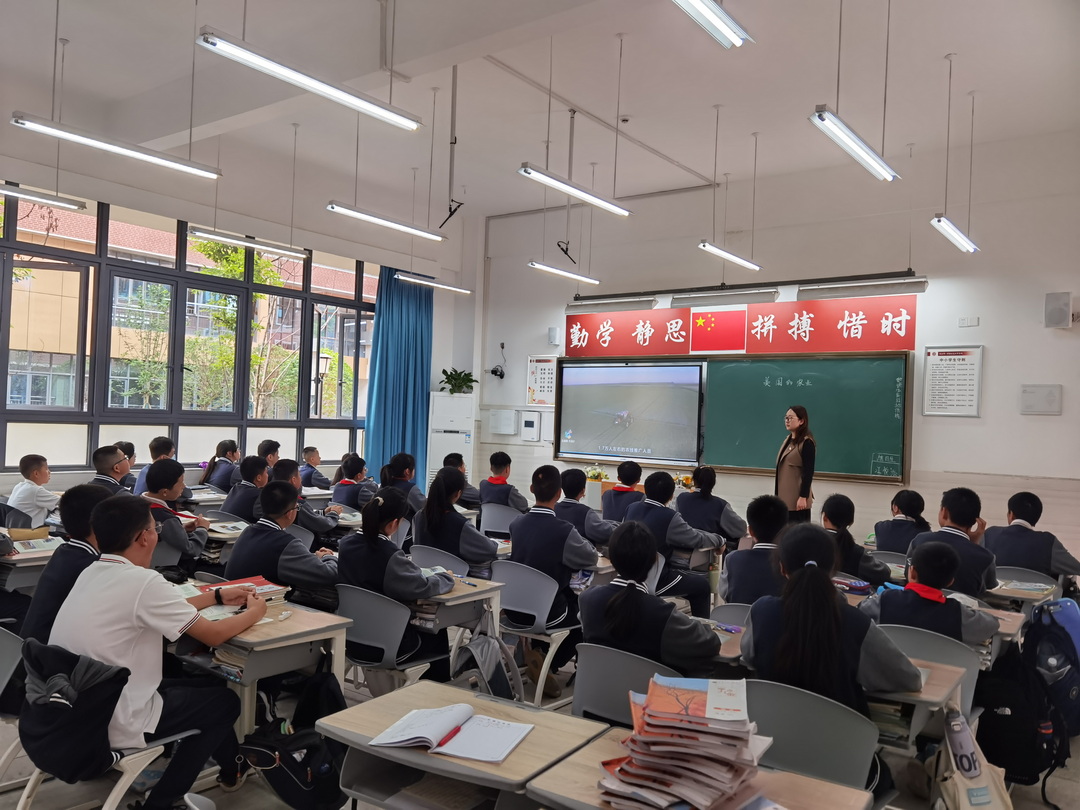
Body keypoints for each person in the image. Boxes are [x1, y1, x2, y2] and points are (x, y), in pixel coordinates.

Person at [49, 495, 266, 808]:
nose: (157, 534)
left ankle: (233, 768)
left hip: (77, 708)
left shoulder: (93, 570)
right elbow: (215, 635)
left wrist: (217, 596)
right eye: (156, 528)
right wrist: (256, 612)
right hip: (113, 717)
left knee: (204, 690)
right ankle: (163, 801)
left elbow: (160, 607)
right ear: (143, 537)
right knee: (224, 703)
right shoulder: (144, 581)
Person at [742, 522, 922, 714]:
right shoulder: (857, 623)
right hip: (840, 731)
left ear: (782, 568)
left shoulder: (761, 612)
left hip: (771, 726)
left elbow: (749, 656)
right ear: (833, 568)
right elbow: (909, 680)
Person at [337, 488, 455, 681]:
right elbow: (421, 586)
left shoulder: (346, 545)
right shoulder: (389, 554)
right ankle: (438, 689)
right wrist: (446, 577)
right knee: (437, 630)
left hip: (351, 639)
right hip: (387, 643)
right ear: (394, 523)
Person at [580, 521, 721, 677]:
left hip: (599, 690)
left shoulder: (587, 600)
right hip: (647, 691)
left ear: (611, 559)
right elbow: (711, 644)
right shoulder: (663, 614)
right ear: (654, 561)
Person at [509, 465, 599, 697]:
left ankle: (537, 654)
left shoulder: (516, 524)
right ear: (559, 494)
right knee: (584, 617)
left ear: (531, 489)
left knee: (566, 602)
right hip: (548, 611)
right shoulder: (564, 531)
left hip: (513, 609)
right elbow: (590, 557)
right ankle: (549, 664)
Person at [858, 542, 1000, 645]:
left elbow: (860, 610)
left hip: (889, 671)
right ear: (950, 581)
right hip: (943, 675)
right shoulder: (959, 615)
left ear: (912, 572)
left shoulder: (884, 601)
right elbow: (992, 625)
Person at [624, 472, 720, 618]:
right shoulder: (669, 516)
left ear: (646, 490)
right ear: (671, 496)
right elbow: (695, 538)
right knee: (702, 585)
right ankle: (701, 629)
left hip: (627, 574)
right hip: (655, 578)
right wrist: (719, 540)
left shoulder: (631, 508)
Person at [21, 485, 110, 644]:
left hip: (32, 648)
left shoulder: (64, 551)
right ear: (102, 522)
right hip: (51, 653)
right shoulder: (92, 565)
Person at [225, 481, 338, 591]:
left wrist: (313, 557)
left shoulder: (248, 531)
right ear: (289, 514)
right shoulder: (286, 544)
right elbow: (330, 574)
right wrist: (327, 556)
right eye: (297, 508)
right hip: (261, 600)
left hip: (234, 596)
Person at [907, 488, 997, 598]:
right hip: (962, 608)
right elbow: (988, 587)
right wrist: (974, 544)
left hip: (918, 604)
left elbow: (908, 574)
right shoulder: (986, 557)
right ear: (975, 520)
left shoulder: (919, 540)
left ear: (944, 512)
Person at [413, 466, 499, 578]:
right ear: (458, 494)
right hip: (453, 580)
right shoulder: (459, 524)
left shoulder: (419, 516)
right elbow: (489, 549)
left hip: (424, 578)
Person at [984, 491, 1080, 579]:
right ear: (1036, 518)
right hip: (1036, 593)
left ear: (1011, 514)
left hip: (991, 591)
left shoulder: (990, 534)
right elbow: (1076, 568)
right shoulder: (1048, 542)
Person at [718, 494, 788, 605]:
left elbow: (724, 593)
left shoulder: (732, 559)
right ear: (784, 530)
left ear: (750, 531)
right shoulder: (790, 562)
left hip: (737, 615)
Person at [142, 459, 210, 568]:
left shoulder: (138, 505)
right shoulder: (166, 518)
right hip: (173, 568)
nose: (184, 486)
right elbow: (191, 550)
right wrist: (202, 529)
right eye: (181, 483)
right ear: (165, 492)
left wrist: (181, 529)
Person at [255, 459, 342, 540]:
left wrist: (322, 512)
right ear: (293, 480)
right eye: (299, 475)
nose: (301, 478)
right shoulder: (295, 504)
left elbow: (306, 516)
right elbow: (322, 524)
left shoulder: (265, 496)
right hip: (302, 542)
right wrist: (334, 513)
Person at [821, 493, 890, 587]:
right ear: (851, 521)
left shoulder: (810, 544)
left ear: (824, 517)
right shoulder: (857, 553)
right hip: (848, 596)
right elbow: (884, 573)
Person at [675, 465, 748, 553]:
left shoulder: (681, 499)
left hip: (678, 552)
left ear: (694, 481)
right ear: (713, 482)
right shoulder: (720, 505)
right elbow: (740, 530)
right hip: (708, 555)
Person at [554, 469, 617, 546]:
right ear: (582, 491)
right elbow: (603, 532)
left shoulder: (553, 508)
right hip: (580, 552)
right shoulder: (585, 512)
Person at [775, 405, 815, 523]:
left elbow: (808, 472)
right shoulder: (788, 440)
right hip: (784, 499)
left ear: (801, 421)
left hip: (797, 501)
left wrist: (803, 496)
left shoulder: (807, 443)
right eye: (786, 418)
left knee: (798, 531)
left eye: (790, 418)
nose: (787, 421)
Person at [7, 454, 60, 527]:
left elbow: (50, 495)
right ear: (36, 473)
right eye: (46, 469)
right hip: (31, 533)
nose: (49, 472)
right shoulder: (36, 491)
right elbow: (65, 501)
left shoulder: (19, 486)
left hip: (15, 531)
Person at [133, 436, 192, 501]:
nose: (174, 456)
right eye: (173, 453)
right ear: (164, 457)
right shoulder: (165, 473)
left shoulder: (145, 470)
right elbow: (187, 494)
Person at [221, 455, 270, 523]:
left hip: (222, 524)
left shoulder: (236, 487)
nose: (268, 475)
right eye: (266, 473)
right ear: (259, 478)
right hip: (241, 528)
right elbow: (269, 519)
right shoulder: (258, 495)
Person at [383, 452, 427, 520]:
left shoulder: (383, 485)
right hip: (405, 526)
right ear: (407, 471)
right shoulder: (410, 489)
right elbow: (425, 509)